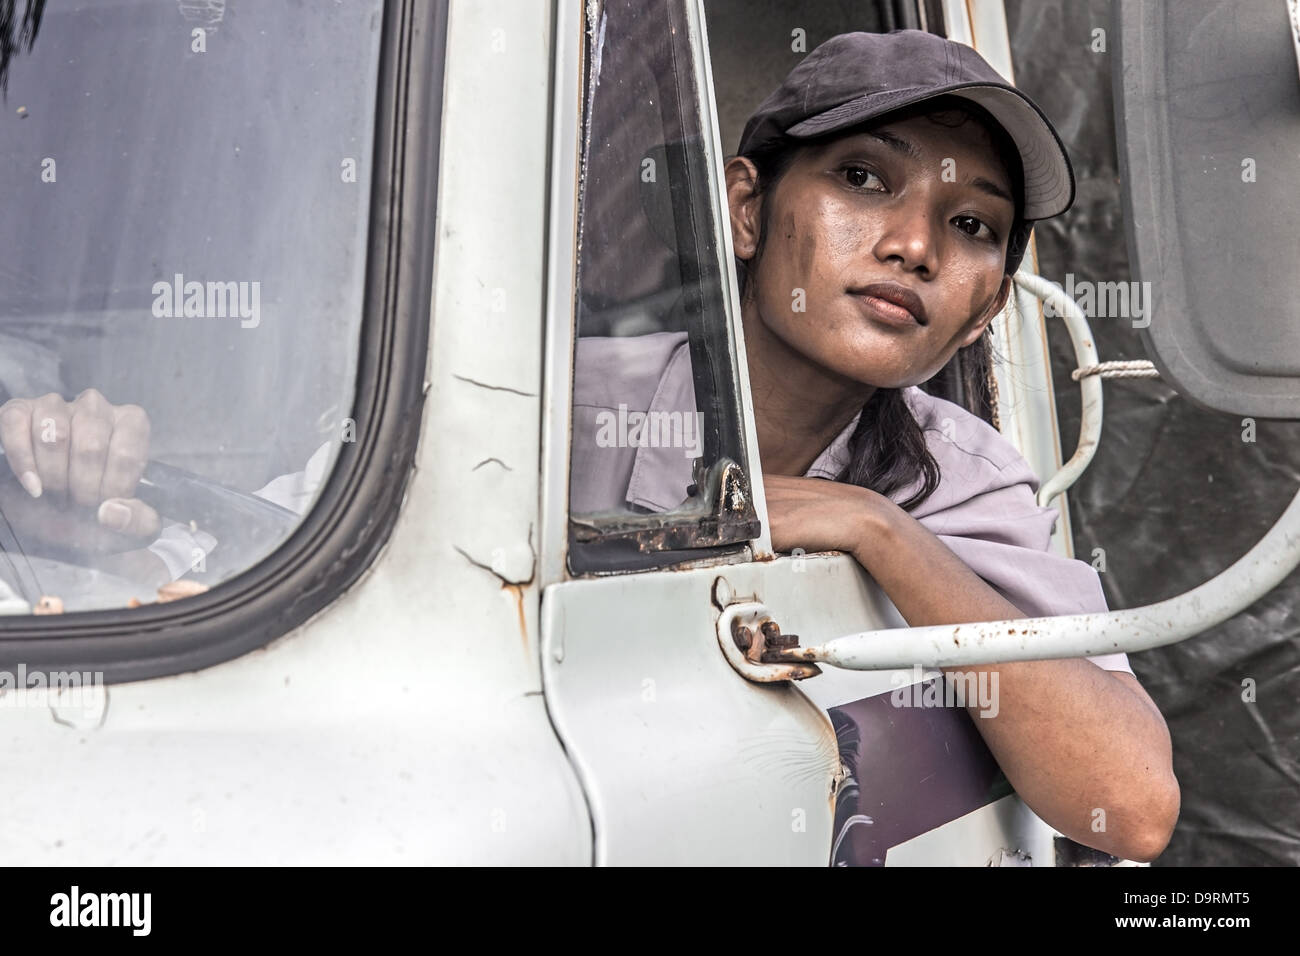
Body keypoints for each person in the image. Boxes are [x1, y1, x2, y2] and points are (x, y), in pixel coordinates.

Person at [570, 30, 1178, 863]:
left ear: (985, 310)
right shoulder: (562, 411)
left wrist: (876, 529)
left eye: (970, 223)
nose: (915, 248)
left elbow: (1130, 807)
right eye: (862, 179)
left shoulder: (967, 481)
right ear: (747, 209)